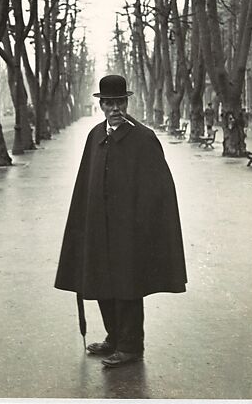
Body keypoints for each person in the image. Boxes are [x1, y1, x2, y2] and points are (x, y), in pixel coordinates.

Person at [55, 75, 187, 368]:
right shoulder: (95, 136)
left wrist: (144, 223)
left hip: (129, 230)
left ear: (127, 103)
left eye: (120, 102)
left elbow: (159, 187)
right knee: (102, 282)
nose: (115, 108)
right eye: (109, 103)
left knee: (128, 286)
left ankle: (130, 346)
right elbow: (85, 184)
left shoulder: (142, 137)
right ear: (101, 105)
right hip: (100, 228)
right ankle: (113, 338)